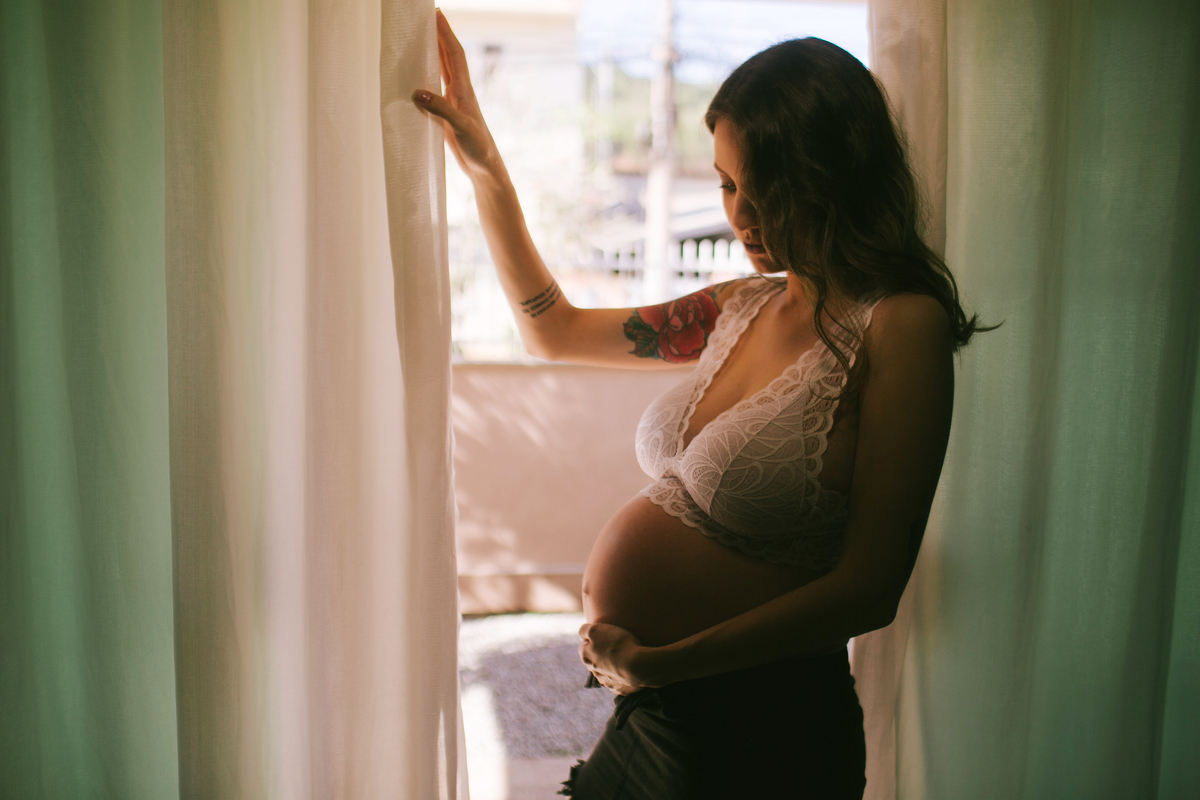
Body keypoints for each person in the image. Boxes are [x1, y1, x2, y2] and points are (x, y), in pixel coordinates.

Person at [413, 10, 988, 799]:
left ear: (833, 173)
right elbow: (554, 331)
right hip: (653, 720)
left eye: (768, 189)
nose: (742, 217)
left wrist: (662, 661)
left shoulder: (900, 327)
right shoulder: (743, 305)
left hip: (765, 732)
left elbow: (871, 588)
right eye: (725, 185)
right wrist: (487, 172)